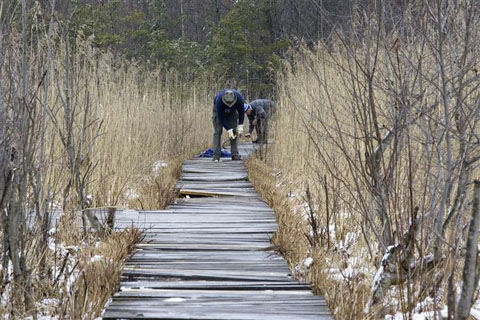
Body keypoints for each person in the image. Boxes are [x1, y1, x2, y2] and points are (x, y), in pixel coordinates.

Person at [212, 89, 246, 161]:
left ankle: (235, 155)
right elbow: (221, 118)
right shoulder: (219, 101)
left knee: (234, 132)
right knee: (217, 132)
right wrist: (228, 129)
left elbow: (241, 112)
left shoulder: (239, 99)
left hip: (232, 113)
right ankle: (216, 156)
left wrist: (240, 126)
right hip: (219, 113)